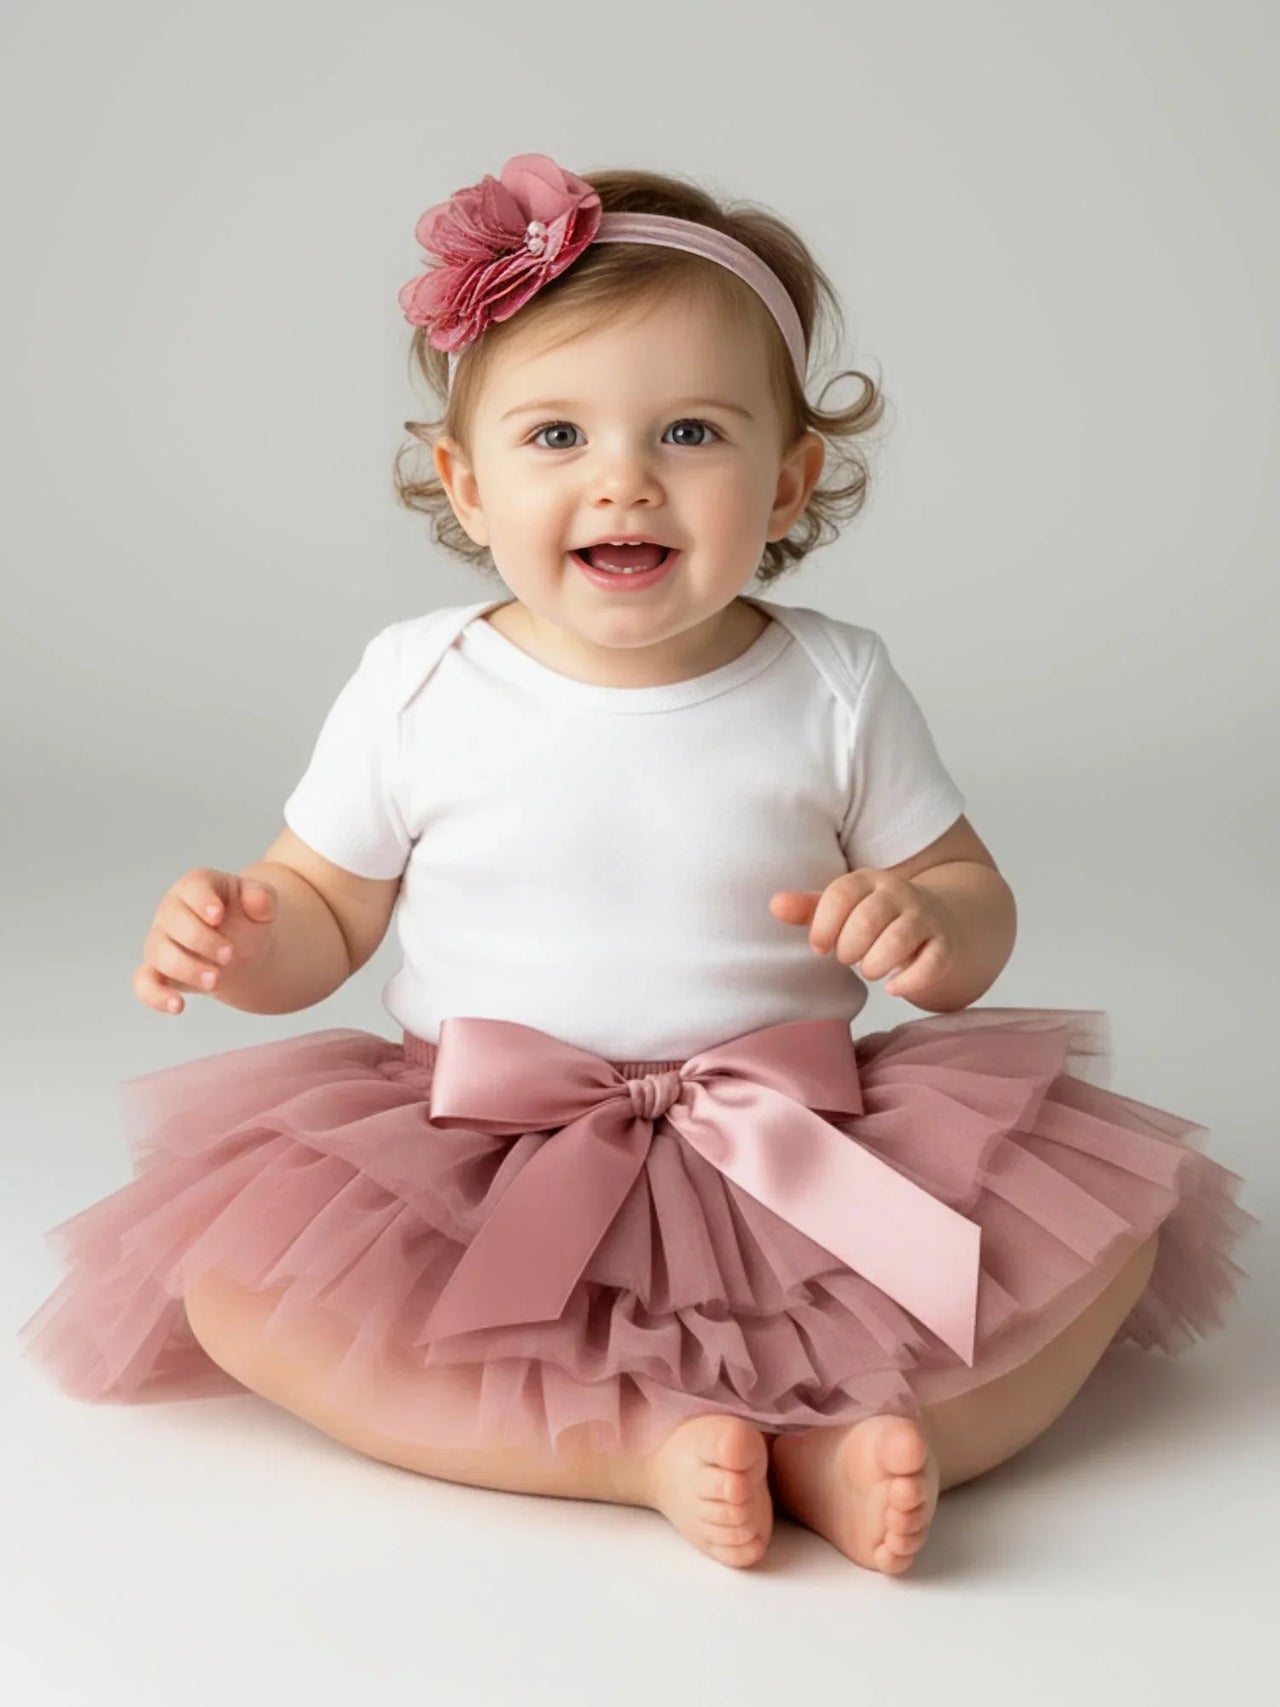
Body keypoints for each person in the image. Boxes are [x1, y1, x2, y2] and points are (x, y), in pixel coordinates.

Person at [18, 152, 1259, 1576]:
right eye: (557, 437)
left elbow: (974, 907)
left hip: (803, 1135)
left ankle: (846, 1447)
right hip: (475, 1148)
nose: (625, 479)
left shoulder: (835, 686)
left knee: (1096, 1254)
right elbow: (324, 908)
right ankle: (630, 1454)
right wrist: (248, 932)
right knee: (246, 1294)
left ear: (790, 479)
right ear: (464, 482)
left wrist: (927, 923)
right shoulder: (420, 681)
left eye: (688, 432)